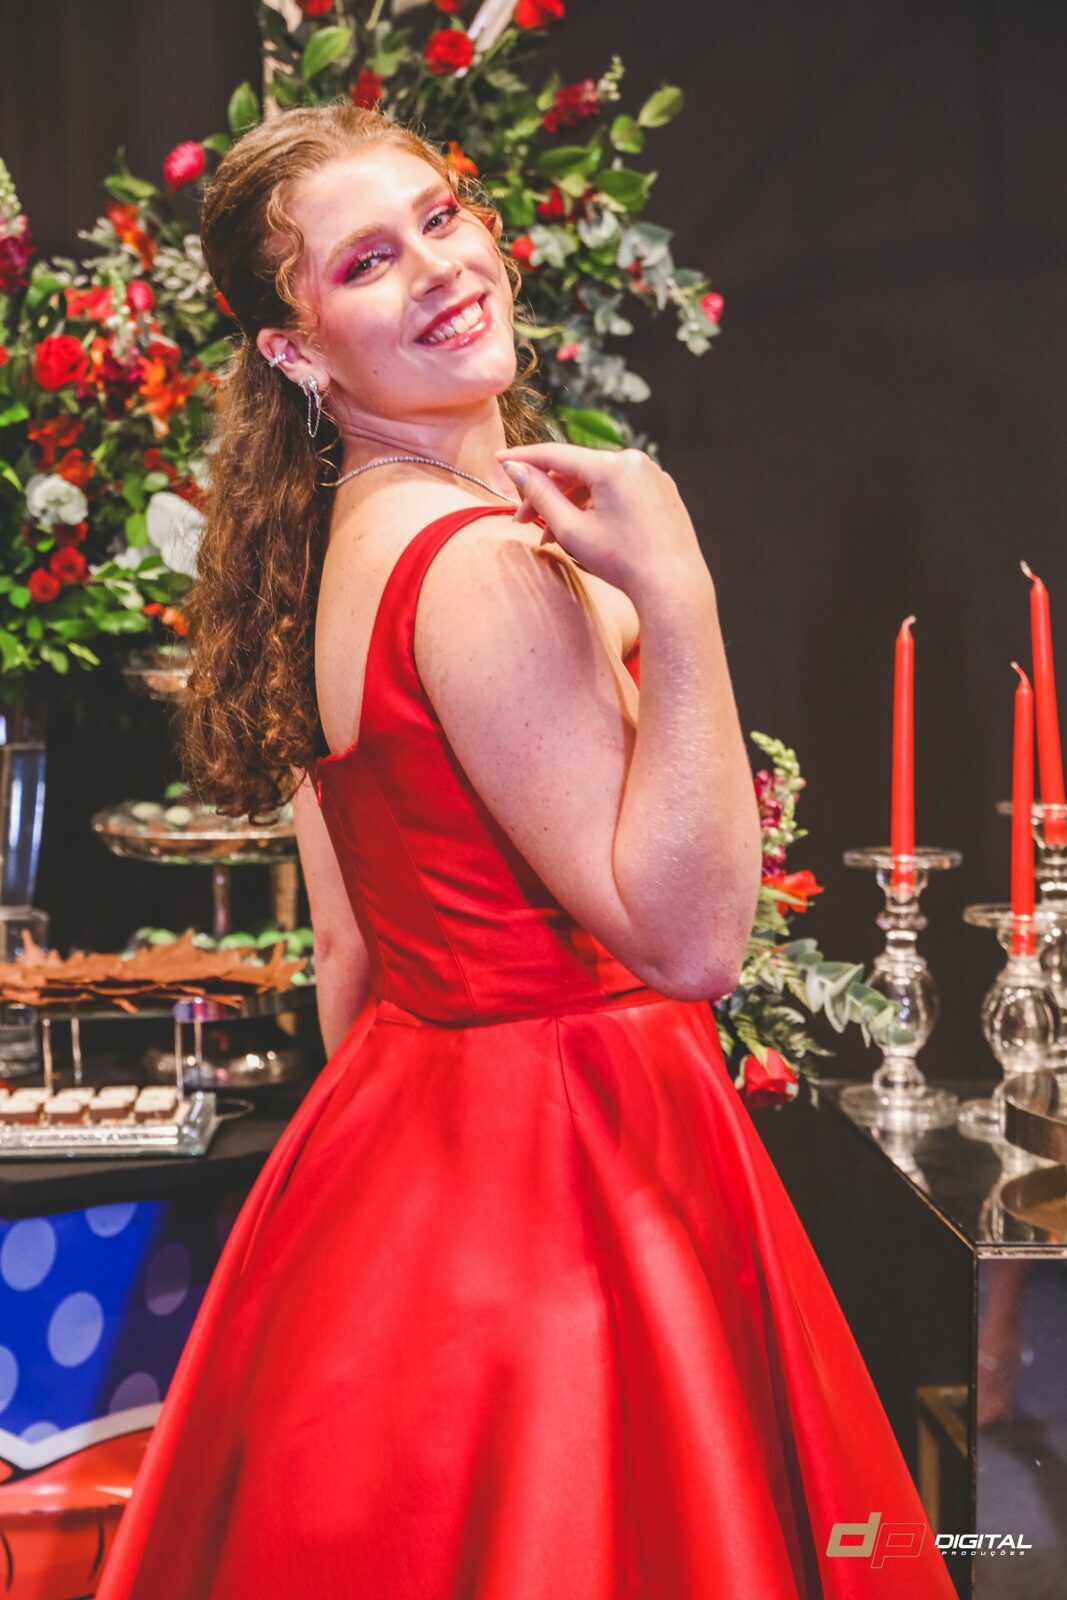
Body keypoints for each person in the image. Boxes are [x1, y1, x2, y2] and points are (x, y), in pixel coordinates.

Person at [96, 100, 956, 1599]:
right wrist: (679, 595)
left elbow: (351, 958)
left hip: (416, 1157)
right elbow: (689, 943)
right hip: (575, 1170)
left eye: (439, 216)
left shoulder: (339, 546)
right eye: (367, 260)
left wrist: (416, 1218)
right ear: (295, 351)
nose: (439, 265)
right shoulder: (478, 565)